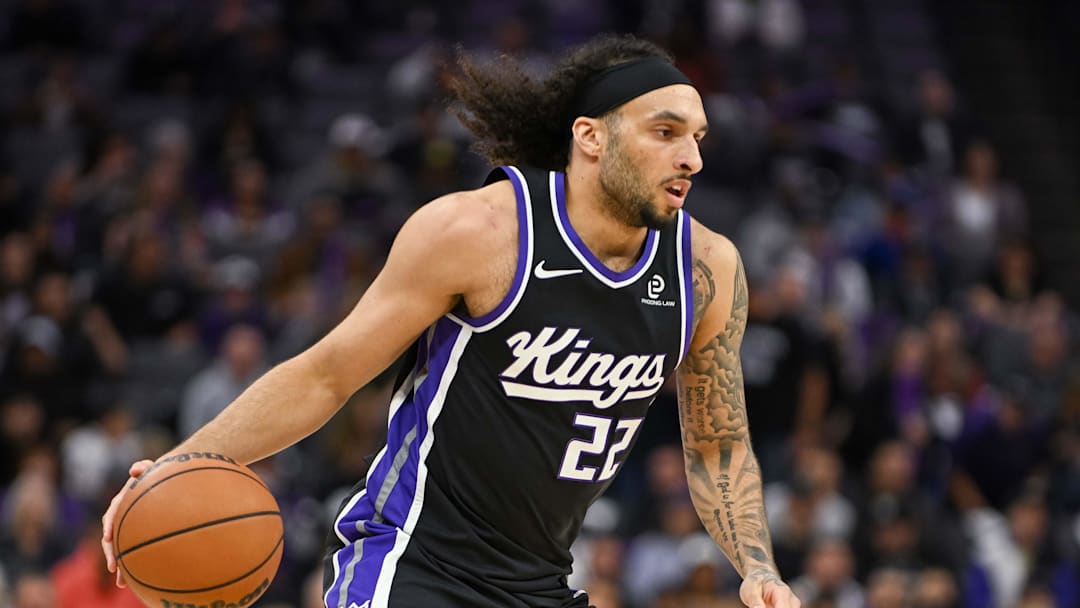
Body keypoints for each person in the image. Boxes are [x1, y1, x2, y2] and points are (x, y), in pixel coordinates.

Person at [101, 34, 799, 608]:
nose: (692, 158)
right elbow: (327, 374)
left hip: (541, 583)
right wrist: (178, 464)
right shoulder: (480, 233)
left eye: (698, 137)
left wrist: (757, 566)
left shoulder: (707, 270)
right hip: (414, 565)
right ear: (590, 137)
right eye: (666, 132)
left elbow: (718, 445)